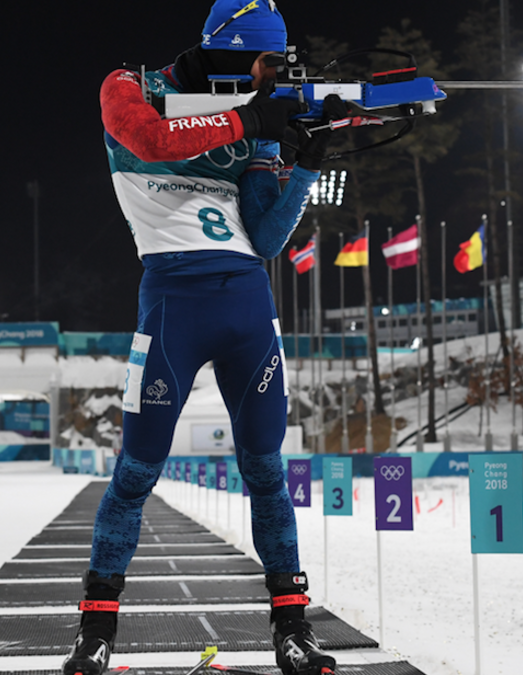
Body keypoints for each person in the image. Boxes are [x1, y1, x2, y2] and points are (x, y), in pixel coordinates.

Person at [63, 3, 342, 675]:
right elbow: (152, 140)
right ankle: (95, 634)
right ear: (226, 55)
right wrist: (253, 119)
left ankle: (292, 630)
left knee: (267, 473)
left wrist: (301, 165)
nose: (261, 76)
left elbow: (267, 237)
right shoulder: (130, 87)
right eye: (256, 63)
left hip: (248, 302)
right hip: (171, 304)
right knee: (134, 474)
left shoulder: (256, 109)